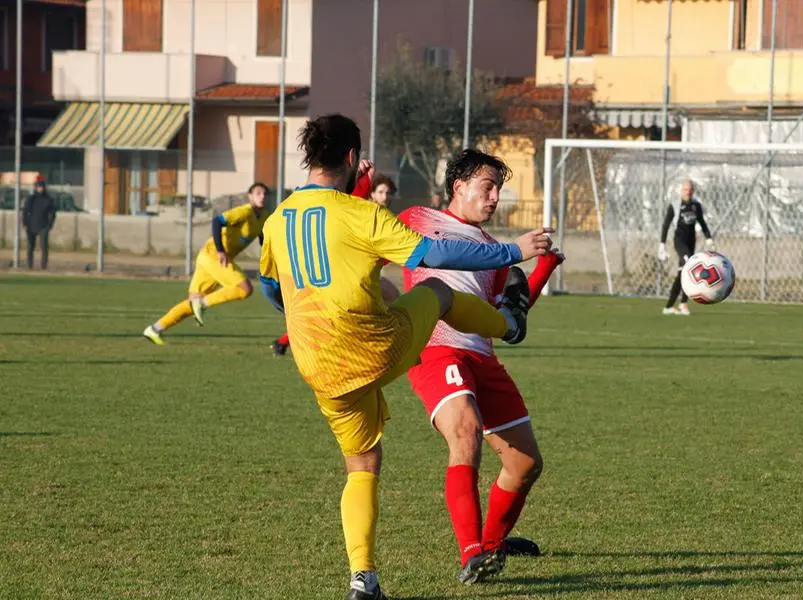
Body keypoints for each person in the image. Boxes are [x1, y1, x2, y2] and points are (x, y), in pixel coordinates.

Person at [257, 114, 553, 600]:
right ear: (353, 158)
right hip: (377, 347)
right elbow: (432, 257)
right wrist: (511, 252)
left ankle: (363, 579)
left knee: (362, 464)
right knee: (437, 289)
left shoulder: (276, 219)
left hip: (320, 367)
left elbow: (271, 282)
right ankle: (510, 327)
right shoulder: (362, 215)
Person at [398, 150, 564, 584]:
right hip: (436, 350)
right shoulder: (417, 219)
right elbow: (436, 256)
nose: (494, 198)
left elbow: (510, 315)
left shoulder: (493, 252)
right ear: (458, 186)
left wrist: (542, 265)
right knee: (465, 432)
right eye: (487, 187)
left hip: (482, 356)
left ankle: (492, 546)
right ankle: (470, 551)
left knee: (525, 465)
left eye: (498, 190)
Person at [269, 172, 398, 356]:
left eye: (388, 192)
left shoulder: (384, 215)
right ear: (372, 192)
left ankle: (283, 343)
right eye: (380, 191)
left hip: (362, 272)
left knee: (330, 314)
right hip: (345, 272)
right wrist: (364, 177)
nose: (385, 196)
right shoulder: (362, 208)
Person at [142, 182, 270, 345]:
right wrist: (220, 250)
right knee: (245, 289)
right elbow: (217, 221)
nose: (262, 196)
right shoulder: (244, 211)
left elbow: (263, 239)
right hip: (213, 256)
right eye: (258, 193)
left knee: (191, 302)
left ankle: (154, 329)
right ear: (249, 196)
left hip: (209, 259)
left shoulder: (264, 217)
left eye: (265, 194)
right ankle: (201, 304)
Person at [658, 178, 715, 316]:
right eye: (685, 189)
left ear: (693, 191)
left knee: (683, 273)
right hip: (679, 241)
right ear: (681, 190)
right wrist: (662, 245)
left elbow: (701, 222)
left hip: (691, 242)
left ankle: (669, 306)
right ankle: (683, 304)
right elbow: (666, 225)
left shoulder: (696, 205)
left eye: (690, 190)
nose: (687, 192)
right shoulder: (675, 205)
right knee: (689, 266)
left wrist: (708, 238)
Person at [22, 176, 57, 270]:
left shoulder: (49, 199)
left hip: (43, 225)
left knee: (44, 247)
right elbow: (25, 211)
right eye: (38, 186)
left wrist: (49, 225)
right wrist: (25, 223)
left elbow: (53, 213)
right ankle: (30, 265)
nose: (39, 188)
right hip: (31, 225)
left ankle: (43, 266)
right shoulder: (31, 199)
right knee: (30, 247)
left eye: (41, 186)